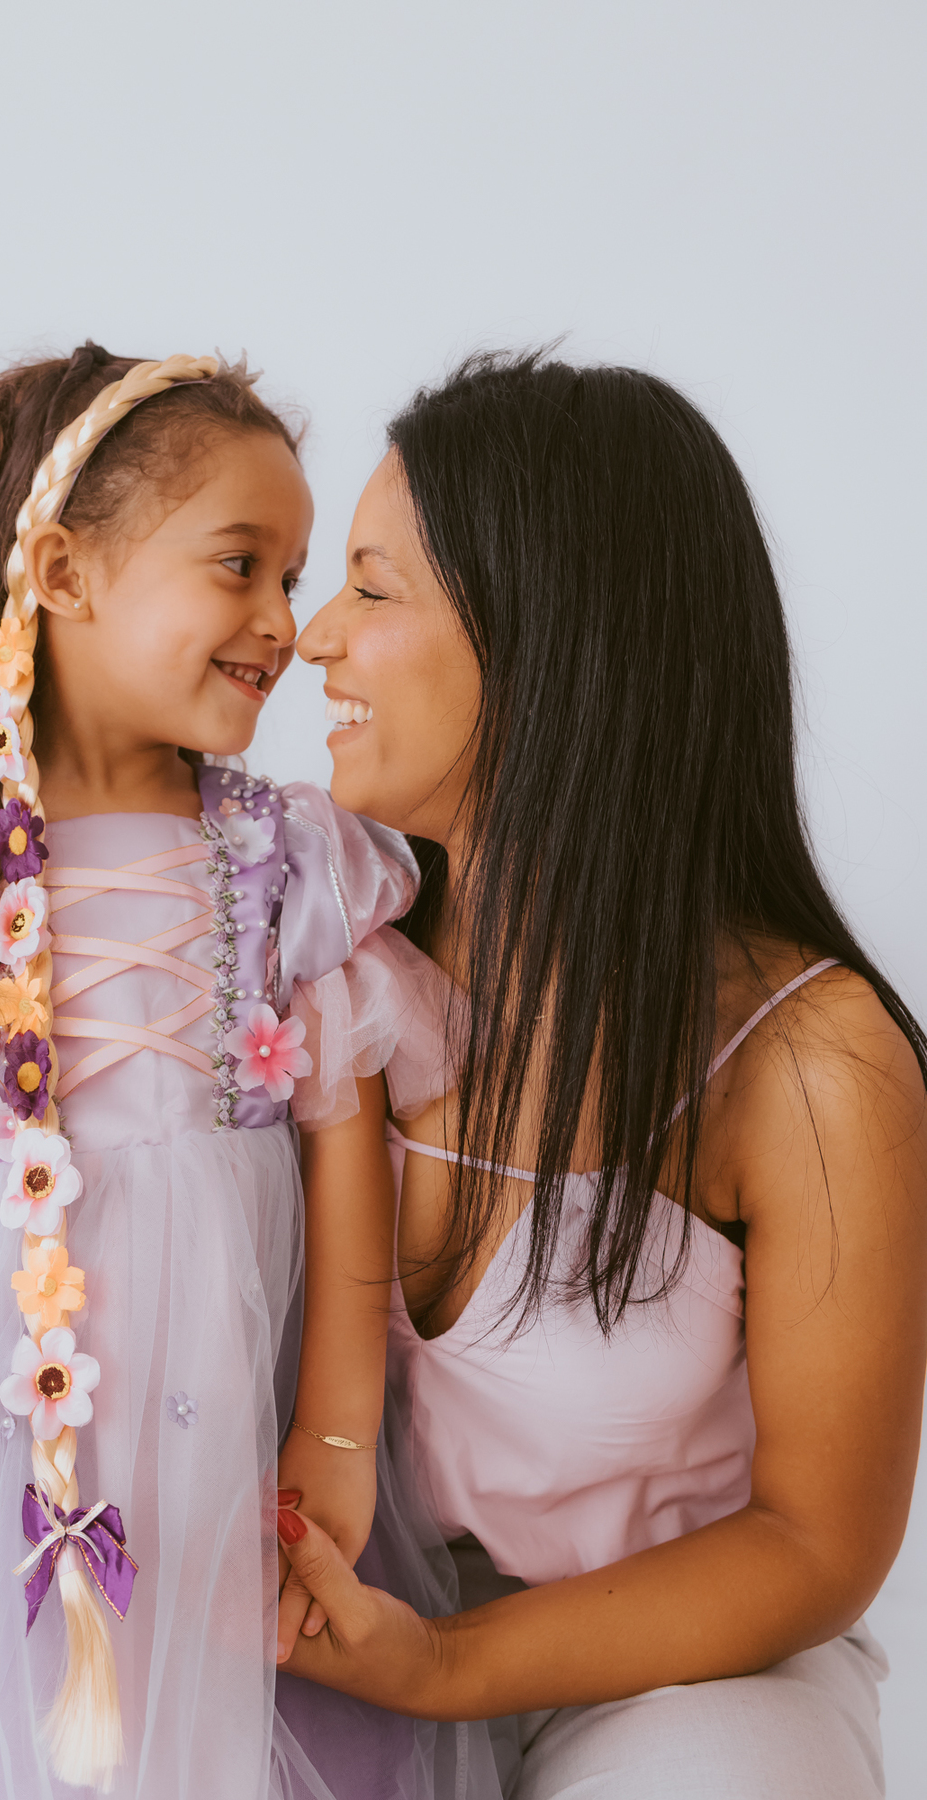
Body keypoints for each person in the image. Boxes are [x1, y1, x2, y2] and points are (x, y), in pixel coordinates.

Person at [0, 344, 469, 1800]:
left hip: (237, 1446)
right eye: (241, 566)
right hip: (14, 1436)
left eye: (296, 575)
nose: (284, 622)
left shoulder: (286, 861)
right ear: (63, 573)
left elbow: (344, 1148)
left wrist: (335, 1431)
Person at [271, 350, 927, 1799]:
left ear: (553, 642)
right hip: (321, 1640)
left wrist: (440, 1668)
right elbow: (63, 1238)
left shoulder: (812, 1065)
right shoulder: (294, 947)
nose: (313, 637)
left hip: (680, 1669)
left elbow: (817, 1543)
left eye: (373, 590)